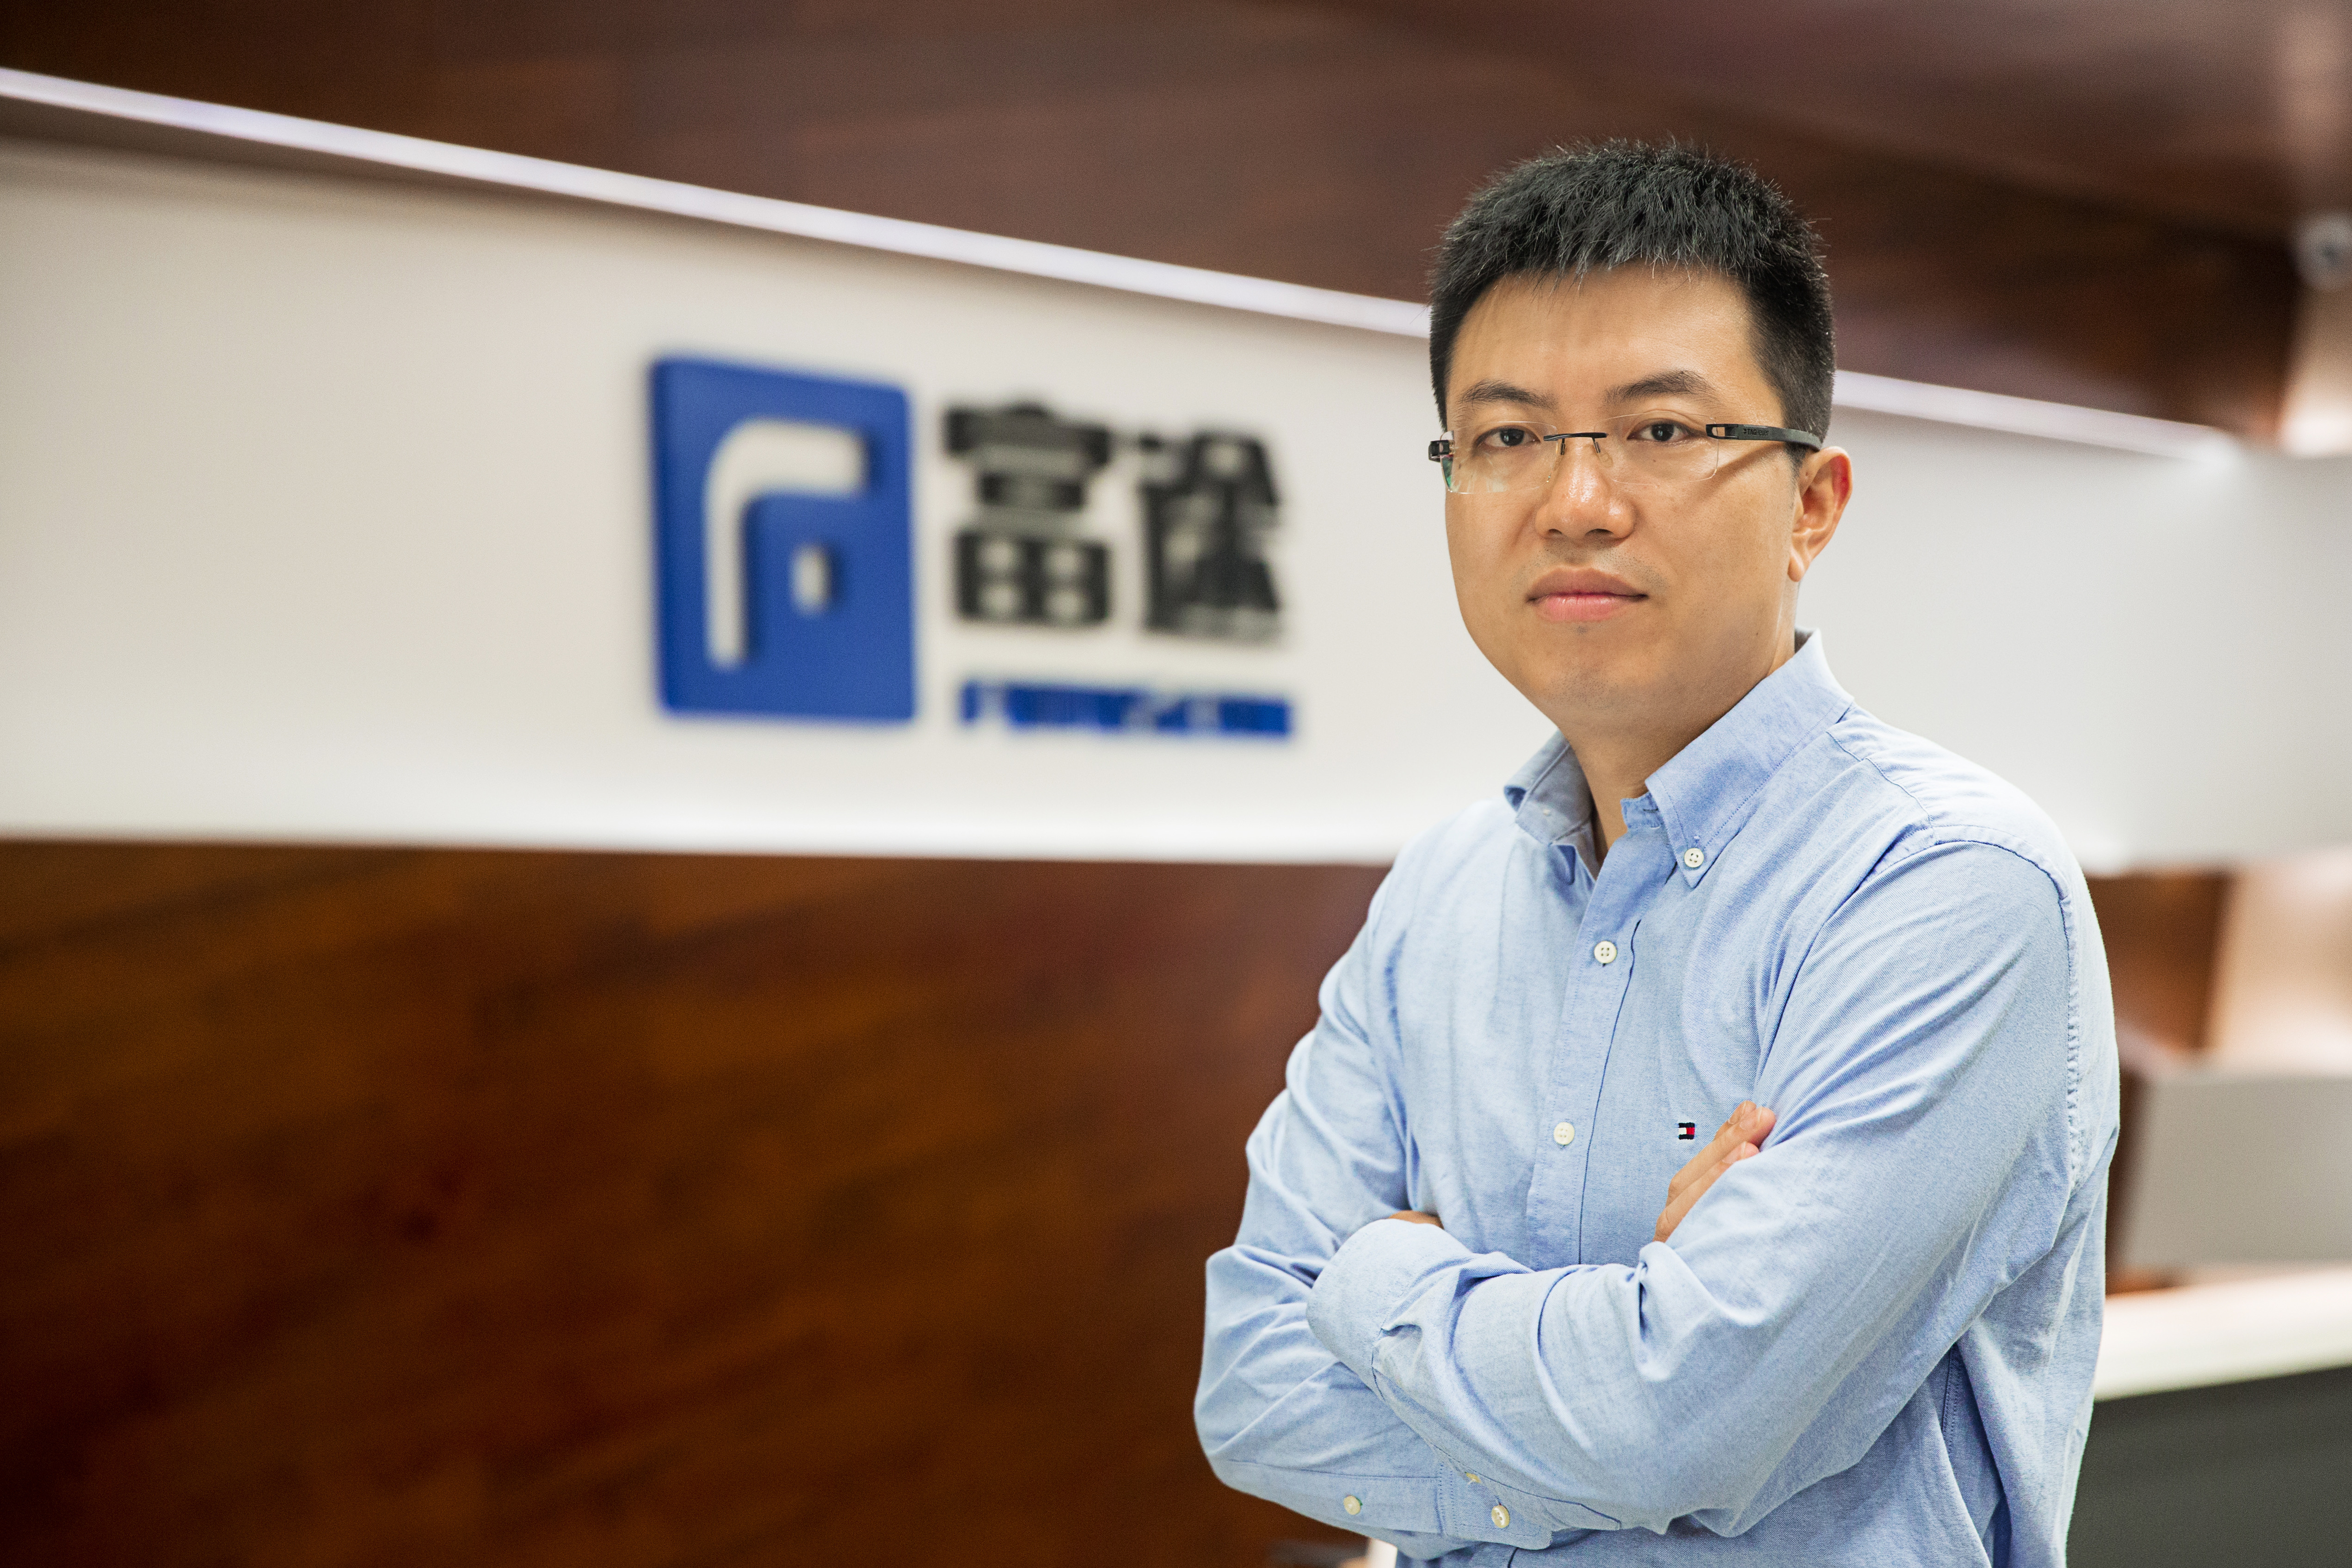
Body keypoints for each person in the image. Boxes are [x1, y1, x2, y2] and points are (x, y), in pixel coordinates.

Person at [1194, 142, 2117, 1568]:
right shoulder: (1438, 898)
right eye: (1507, 439)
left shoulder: (1950, 887)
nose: (1575, 500)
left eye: (1662, 430)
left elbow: (1671, 1425)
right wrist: (1623, 1387)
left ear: (1812, 504)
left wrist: (1378, 1275)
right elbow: (1253, 1392)